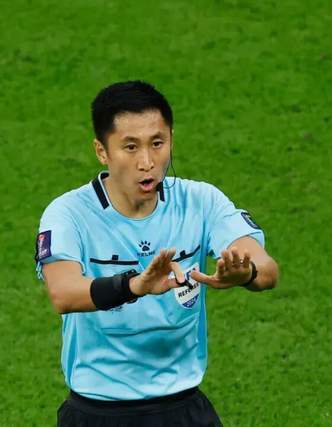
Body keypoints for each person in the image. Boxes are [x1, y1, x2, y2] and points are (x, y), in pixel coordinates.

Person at [35, 80, 279, 426]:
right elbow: (63, 293)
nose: (147, 162)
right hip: (98, 413)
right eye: (130, 147)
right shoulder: (68, 213)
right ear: (102, 151)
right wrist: (135, 285)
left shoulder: (201, 201)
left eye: (157, 143)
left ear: (171, 140)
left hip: (184, 409)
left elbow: (267, 269)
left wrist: (247, 273)